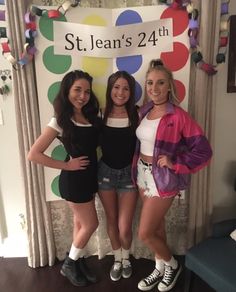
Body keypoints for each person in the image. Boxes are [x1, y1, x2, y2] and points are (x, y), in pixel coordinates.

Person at [132, 59, 213, 292]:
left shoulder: (178, 116)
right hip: (142, 174)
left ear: (169, 86)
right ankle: (160, 267)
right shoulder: (145, 111)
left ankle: (172, 265)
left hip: (164, 179)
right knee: (157, 228)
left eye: (160, 83)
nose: (154, 88)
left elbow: (203, 150)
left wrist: (174, 162)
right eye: (150, 83)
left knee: (145, 232)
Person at [28, 70, 102, 287]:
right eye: (77, 90)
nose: (82, 95)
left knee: (80, 223)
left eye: (87, 91)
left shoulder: (88, 116)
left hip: (88, 178)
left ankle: (77, 262)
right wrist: (67, 164)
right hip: (74, 181)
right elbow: (34, 154)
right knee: (91, 223)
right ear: (67, 91)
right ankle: (70, 263)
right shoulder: (60, 120)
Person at [98, 71, 139, 281]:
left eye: (125, 88)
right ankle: (118, 259)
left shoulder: (137, 114)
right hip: (105, 174)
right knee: (111, 220)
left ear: (130, 92)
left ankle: (126, 258)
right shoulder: (100, 114)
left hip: (129, 176)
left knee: (125, 225)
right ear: (110, 89)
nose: (120, 92)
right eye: (116, 87)